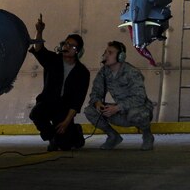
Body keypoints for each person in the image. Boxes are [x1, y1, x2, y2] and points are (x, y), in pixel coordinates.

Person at [28, 14, 89, 151]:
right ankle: (51, 138)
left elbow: (77, 101)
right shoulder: (54, 60)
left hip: (65, 108)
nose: (67, 47)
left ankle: (74, 132)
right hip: (48, 102)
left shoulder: (82, 72)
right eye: (66, 43)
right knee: (36, 113)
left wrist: (66, 122)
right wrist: (39, 31)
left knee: (66, 145)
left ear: (78, 52)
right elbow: (39, 50)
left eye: (72, 46)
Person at [84, 41, 155, 150]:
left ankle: (147, 135)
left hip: (138, 110)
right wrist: (98, 103)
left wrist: (117, 108)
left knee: (136, 113)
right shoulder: (104, 72)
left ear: (121, 56)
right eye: (105, 52)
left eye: (110, 53)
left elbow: (139, 98)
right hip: (119, 112)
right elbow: (95, 93)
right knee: (90, 110)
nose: (106, 55)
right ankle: (113, 136)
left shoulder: (132, 72)